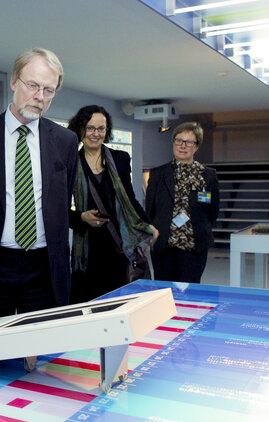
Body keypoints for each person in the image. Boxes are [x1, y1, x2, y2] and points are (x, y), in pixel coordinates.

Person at [0, 48, 78, 317]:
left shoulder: (65, 141)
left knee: (43, 344)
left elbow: (62, 203)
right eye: (33, 85)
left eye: (49, 90)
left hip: (44, 264)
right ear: (14, 82)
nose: (40, 97)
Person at [67, 105, 158, 303]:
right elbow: (60, 209)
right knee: (88, 304)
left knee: (119, 302)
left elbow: (130, 199)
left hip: (119, 246)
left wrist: (146, 223)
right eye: (90, 128)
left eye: (101, 129)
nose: (95, 134)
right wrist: (81, 217)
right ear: (80, 129)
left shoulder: (120, 159)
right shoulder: (71, 163)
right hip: (88, 249)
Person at [146, 121, 219, 283]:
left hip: (194, 246)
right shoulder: (158, 173)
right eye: (179, 140)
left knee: (191, 293)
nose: (183, 145)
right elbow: (150, 209)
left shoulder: (208, 175)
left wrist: (200, 225)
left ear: (197, 146)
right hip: (164, 245)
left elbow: (213, 211)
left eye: (189, 142)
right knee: (164, 293)